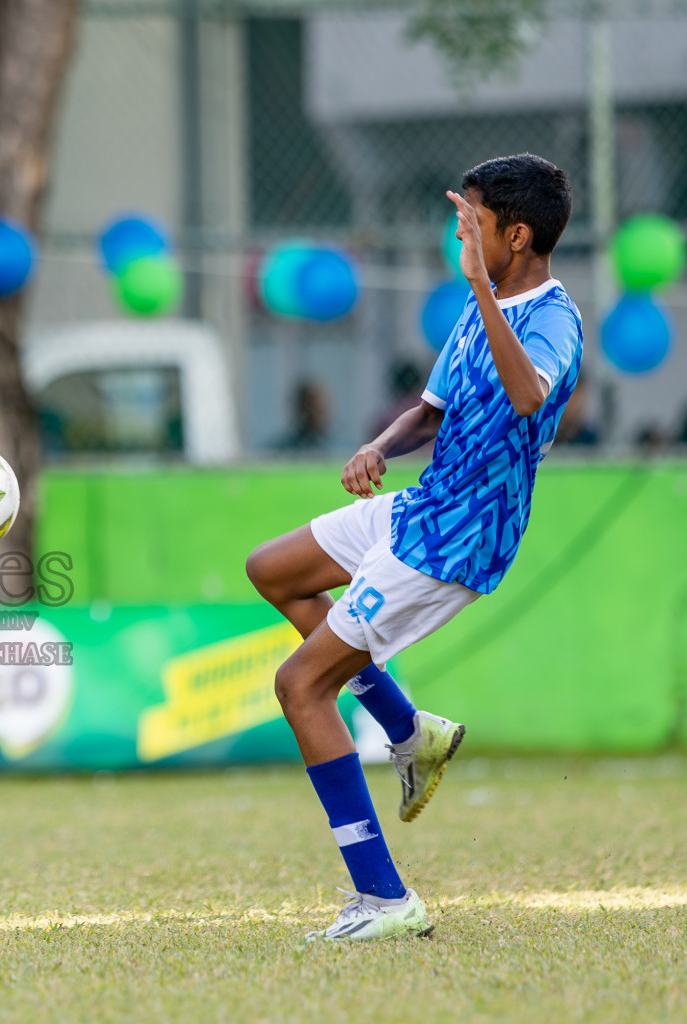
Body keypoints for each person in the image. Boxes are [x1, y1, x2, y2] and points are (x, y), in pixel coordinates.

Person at [244, 153, 581, 941]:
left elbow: (528, 395)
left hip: (458, 542)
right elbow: (430, 412)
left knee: (300, 688)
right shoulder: (484, 301)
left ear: (519, 234)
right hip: (420, 508)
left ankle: (385, 899)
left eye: (473, 223)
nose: (459, 236)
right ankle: (409, 731)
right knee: (274, 571)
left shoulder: (552, 316)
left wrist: (476, 289)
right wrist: (378, 446)